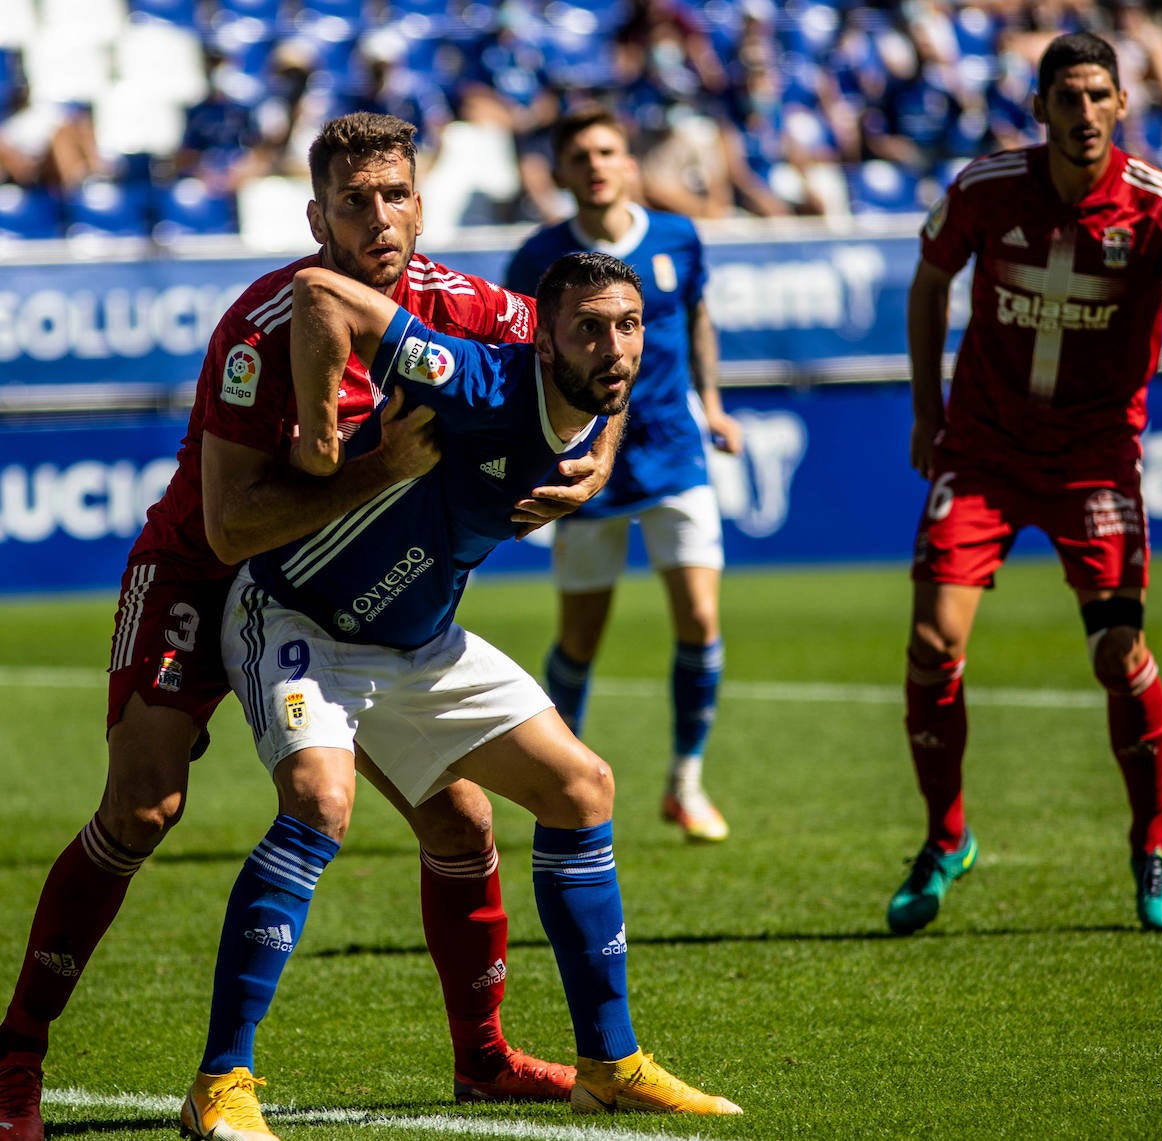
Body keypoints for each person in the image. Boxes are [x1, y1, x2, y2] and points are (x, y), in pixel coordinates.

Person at [0, 112, 615, 1141]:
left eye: (396, 194)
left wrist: (599, 448)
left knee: (461, 823)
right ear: (317, 215)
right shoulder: (263, 326)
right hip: (205, 573)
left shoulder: (463, 305)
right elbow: (234, 521)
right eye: (355, 200)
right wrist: (384, 469)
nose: (380, 218)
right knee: (143, 809)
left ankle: (485, 1059)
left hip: (345, 599)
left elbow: (587, 342)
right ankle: (18, 1050)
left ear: (420, 199)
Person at [200, 251, 743, 1128]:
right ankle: (221, 1083)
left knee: (581, 788)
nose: (615, 348)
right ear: (542, 340)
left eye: (629, 327)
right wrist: (319, 430)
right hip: (304, 618)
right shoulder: (477, 377)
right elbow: (317, 294)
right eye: (590, 330)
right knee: (318, 802)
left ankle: (609, 1062)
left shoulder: (594, 392)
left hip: (420, 641)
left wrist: (601, 457)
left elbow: (612, 386)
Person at [888, 31, 1162, 936]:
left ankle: (1153, 845)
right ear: (1039, 107)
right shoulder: (984, 190)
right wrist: (928, 412)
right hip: (984, 449)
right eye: (1067, 96)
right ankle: (946, 838)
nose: (1083, 112)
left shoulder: (1160, 208)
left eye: (1099, 96)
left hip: (1094, 461)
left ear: (1122, 105)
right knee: (933, 642)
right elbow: (928, 284)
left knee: (1117, 654)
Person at [505, 104, 744, 844]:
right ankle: (559, 771)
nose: (597, 165)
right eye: (581, 156)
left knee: (701, 620)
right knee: (580, 640)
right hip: (582, 465)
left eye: (608, 151)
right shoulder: (538, 258)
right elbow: (522, 358)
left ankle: (686, 781)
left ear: (630, 163)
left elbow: (696, 317)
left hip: (674, 452)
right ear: (563, 173)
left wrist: (712, 402)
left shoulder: (677, 237)